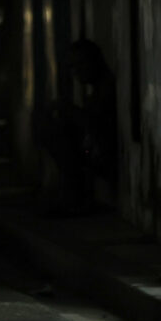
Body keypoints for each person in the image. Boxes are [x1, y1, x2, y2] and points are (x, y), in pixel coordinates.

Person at [39, 39, 117, 214]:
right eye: (72, 67)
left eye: (80, 65)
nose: (76, 72)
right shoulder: (96, 89)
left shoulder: (107, 88)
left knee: (58, 134)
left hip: (105, 158)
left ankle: (74, 196)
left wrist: (70, 110)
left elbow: (98, 126)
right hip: (93, 153)